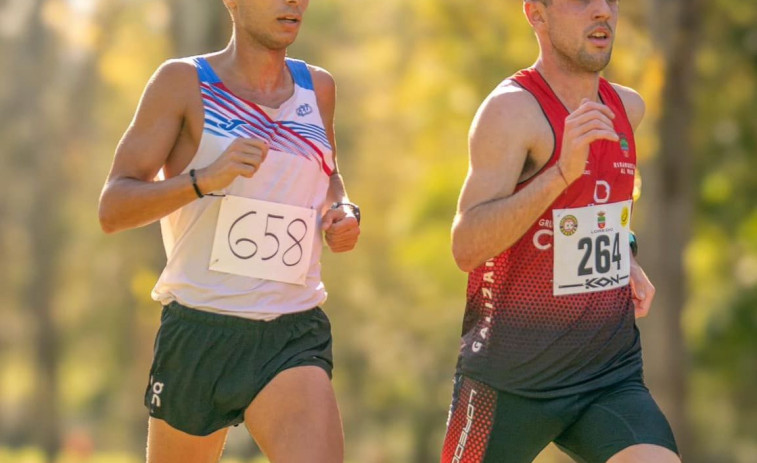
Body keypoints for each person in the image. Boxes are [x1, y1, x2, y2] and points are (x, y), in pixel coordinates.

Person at [98, 0, 360, 461]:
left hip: (292, 332)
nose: (293, 2)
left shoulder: (317, 88)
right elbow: (113, 208)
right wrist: (202, 181)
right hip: (201, 330)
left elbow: (328, 172)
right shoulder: (183, 83)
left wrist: (341, 209)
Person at [440, 1, 680, 462]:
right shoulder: (512, 112)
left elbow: (607, 203)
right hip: (508, 383)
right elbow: (466, 246)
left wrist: (626, 257)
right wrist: (559, 175)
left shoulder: (628, 108)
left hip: (607, 376)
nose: (602, 11)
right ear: (537, 14)